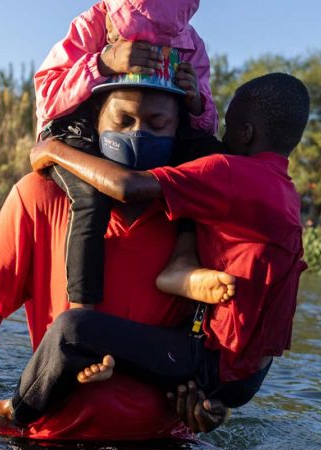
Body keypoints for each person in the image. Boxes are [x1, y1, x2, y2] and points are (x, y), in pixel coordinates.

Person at [0, 82, 228, 440]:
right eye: (123, 120)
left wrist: (209, 401)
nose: (138, 134)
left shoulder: (203, 219)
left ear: (178, 129)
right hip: (49, 436)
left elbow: (216, 338)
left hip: (163, 440)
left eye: (157, 124)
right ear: (95, 121)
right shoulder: (39, 196)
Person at [0, 73, 310, 427]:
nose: (219, 137)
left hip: (214, 360)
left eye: (228, 127)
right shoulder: (286, 195)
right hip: (249, 374)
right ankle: (163, 296)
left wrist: (52, 148)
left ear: (245, 133)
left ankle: (15, 410)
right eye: (124, 120)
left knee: (74, 329)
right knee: (149, 350)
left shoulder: (232, 173)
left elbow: (126, 186)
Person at [35, 0, 223, 311]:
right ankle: (83, 309)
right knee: (90, 199)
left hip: (161, 138)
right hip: (81, 133)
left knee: (208, 162)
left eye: (165, 41)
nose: (153, 46)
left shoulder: (192, 44)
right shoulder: (90, 25)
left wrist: (196, 101)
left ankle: (183, 259)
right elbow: (48, 98)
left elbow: (207, 125)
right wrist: (102, 63)